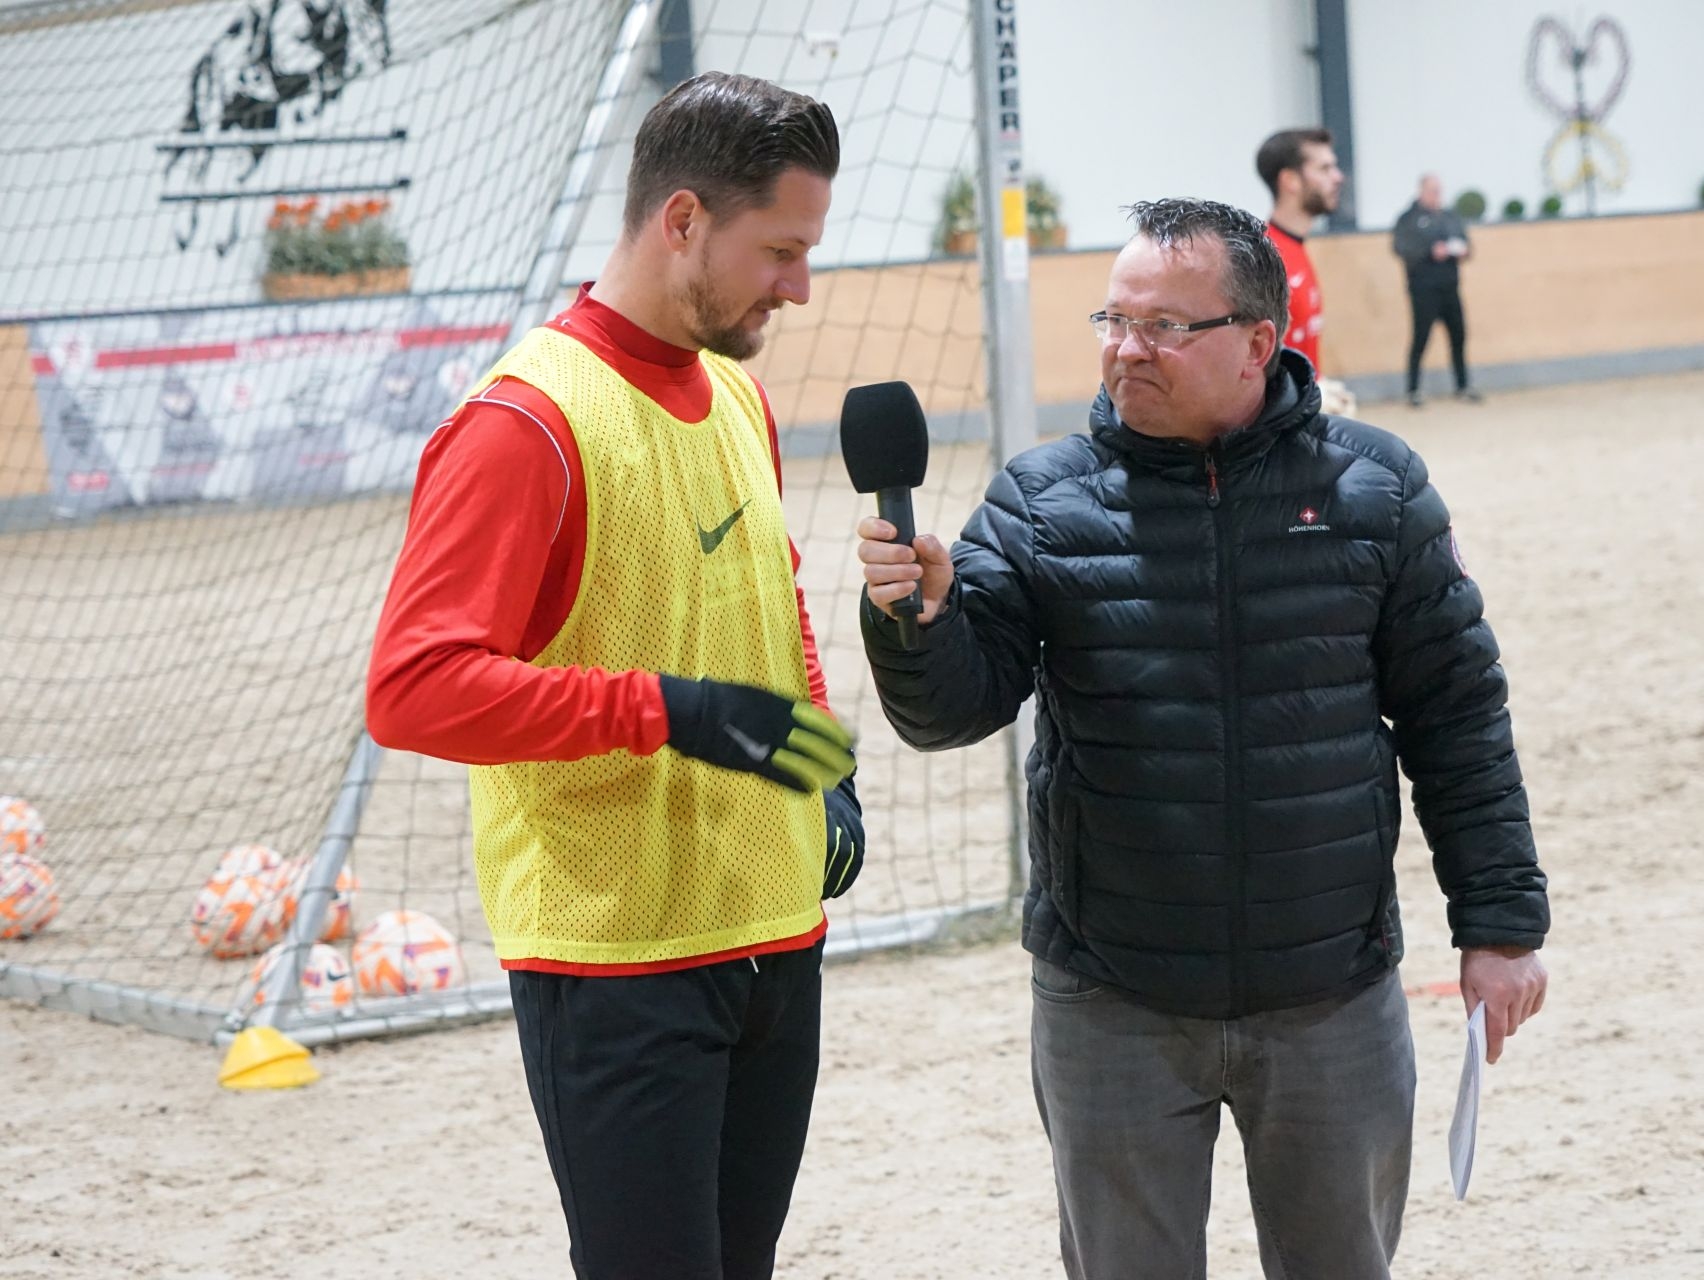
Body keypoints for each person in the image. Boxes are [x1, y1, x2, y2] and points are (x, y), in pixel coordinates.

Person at [855, 197, 1550, 1279]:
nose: (1128, 348)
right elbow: (949, 710)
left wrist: (1499, 923)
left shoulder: (1376, 489)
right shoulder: (1038, 502)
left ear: (1258, 343)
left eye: (1167, 326)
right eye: (1116, 320)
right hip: (1112, 997)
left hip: (1330, 985)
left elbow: (1457, 713)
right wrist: (921, 620)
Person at [365, 72, 862, 1280]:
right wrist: (667, 710)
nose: (799, 286)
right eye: (780, 250)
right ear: (682, 219)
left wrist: (824, 764)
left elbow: (773, 593)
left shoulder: (738, 392)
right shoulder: (525, 421)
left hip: (775, 932)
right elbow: (414, 687)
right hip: (616, 959)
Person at [1254, 126, 1343, 373]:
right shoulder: (1266, 258)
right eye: (1324, 169)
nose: (1337, 177)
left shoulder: (1296, 247)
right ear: (1290, 181)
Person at [1392, 173, 1481, 405]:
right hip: (1423, 290)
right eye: (1432, 191)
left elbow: (1466, 244)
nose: (1436, 196)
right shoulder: (1408, 219)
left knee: (1458, 336)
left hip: (1450, 287)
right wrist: (1430, 251)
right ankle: (1413, 389)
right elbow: (1400, 248)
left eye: (1438, 191)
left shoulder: (1449, 216)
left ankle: (1463, 385)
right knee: (1421, 338)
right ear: (1421, 191)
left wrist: (1462, 250)